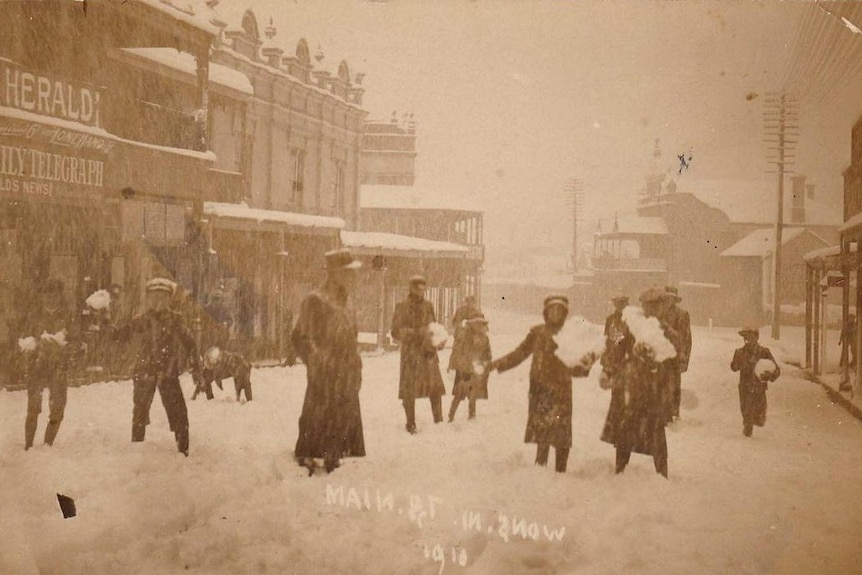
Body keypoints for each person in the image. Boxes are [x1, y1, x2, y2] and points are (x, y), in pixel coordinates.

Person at [490, 295, 594, 473]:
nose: (555, 314)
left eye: (559, 311)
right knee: (542, 433)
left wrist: (586, 364)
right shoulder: (537, 332)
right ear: (546, 313)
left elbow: (577, 365)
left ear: (564, 313)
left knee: (561, 433)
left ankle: (561, 470)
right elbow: (520, 353)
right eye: (552, 310)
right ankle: (540, 471)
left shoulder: (570, 334)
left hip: (561, 391)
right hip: (540, 390)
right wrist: (498, 364)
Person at [291, 248, 365, 474]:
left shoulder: (347, 301)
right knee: (318, 411)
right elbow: (300, 337)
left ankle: (334, 453)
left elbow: (351, 335)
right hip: (324, 369)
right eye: (347, 272)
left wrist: (355, 363)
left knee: (342, 412)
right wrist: (317, 360)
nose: (352, 277)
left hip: (346, 367)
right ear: (333, 272)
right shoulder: (316, 301)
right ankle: (308, 453)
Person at [112, 277, 202, 456]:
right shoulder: (142, 320)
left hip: (167, 372)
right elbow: (121, 335)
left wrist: (196, 368)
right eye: (153, 297)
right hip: (144, 371)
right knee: (140, 411)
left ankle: (182, 451)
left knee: (178, 413)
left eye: (162, 297)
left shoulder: (176, 319)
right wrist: (106, 322)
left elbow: (190, 343)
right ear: (148, 299)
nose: (158, 301)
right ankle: (137, 449)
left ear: (169, 299)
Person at [600, 287, 678, 478]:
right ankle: (620, 469)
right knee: (625, 429)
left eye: (658, 305)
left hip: (654, 388)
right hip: (630, 384)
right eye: (649, 306)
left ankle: (661, 473)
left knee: (656, 431)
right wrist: (609, 369)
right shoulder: (629, 326)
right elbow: (615, 348)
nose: (655, 310)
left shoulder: (667, 332)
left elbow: (674, 359)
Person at [19, 279, 79, 450]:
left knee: (57, 407)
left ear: (60, 297)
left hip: (58, 367)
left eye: (54, 295)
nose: (50, 299)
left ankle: (47, 444)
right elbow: (23, 339)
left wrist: (62, 345)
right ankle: (28, 445)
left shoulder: (68, 317)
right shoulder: (34, 316)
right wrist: (34, 344)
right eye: (47, 295)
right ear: (42, 297)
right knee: (33, 407)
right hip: (37, 366)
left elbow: (76, 342)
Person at [391, 275, 447, 434]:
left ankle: (439, 422)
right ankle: (410, 423)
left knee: (435, 388)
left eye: (423, 289)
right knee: (409, 390)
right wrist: (415, 333)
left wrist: (437, 338)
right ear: (411, 288)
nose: (421, 292)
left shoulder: (428, 306)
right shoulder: (401, 307)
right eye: (417, 288)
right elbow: (395, 331)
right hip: (411, 354)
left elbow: (433, 326)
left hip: (428, 354)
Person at [731, 327, 780, 437]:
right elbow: (734, 367)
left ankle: (752, 424)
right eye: (745, 338)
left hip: (759, 388)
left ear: (757, 338)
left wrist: (770, 375)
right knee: (747, 414)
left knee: (759, 417)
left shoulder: (764, 352)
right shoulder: (740, 352)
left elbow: (776, 369)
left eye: (750, 337)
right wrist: (737, 363)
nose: (747, 340)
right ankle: (748, 432)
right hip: (745, 387)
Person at [448, 314, 492, 422]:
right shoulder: (465, 336)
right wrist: (453, 364)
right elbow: (457, 351)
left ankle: (471, 416)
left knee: (473, 394)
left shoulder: (484, 338)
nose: (484, 328)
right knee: (460, 393)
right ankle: (451, 415)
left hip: (475, 370)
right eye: (482, 325)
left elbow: (487, 354)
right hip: (465, 370)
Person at [663, 286, 692, 422]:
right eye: (666, 298)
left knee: (672, 385)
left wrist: (684, 358)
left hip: (674, 356)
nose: (668, 301)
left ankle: (672, 414)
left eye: (671, 298)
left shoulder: (682, 314)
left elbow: (685, 338)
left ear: (675, 300)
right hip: (659, 356)